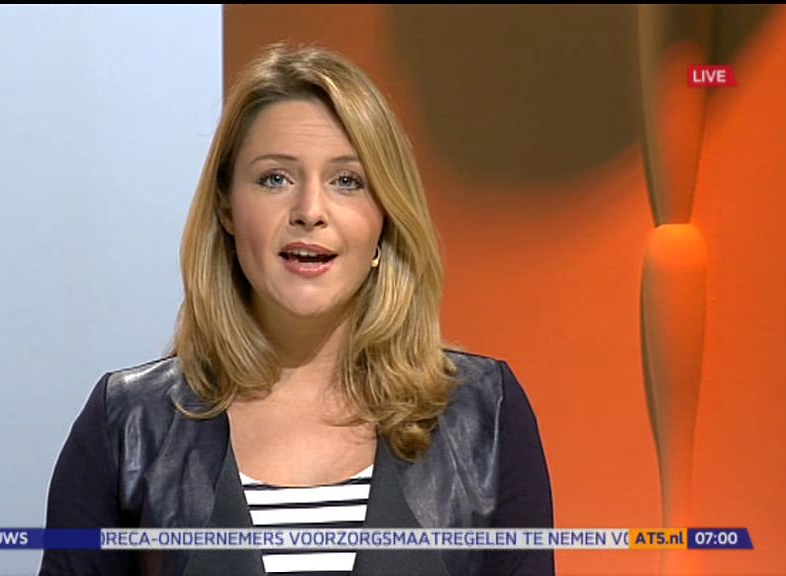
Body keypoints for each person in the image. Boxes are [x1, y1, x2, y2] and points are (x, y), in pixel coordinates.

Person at [41, 43, 553, 576]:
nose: (310, 211)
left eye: (347, 181)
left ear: (385, 215)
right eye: (275, 179)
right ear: (227, 207)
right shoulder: (127, 424)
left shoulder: (485, 416)